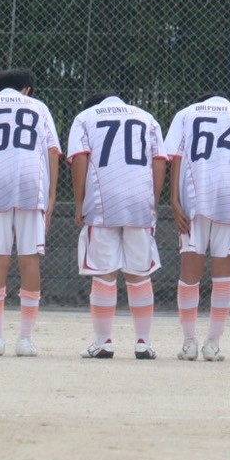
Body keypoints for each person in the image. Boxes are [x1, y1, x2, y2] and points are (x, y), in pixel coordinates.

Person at [0, 68, 62, 357]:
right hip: (31, 181)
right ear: (27, 90)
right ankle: (25, 339)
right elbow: (53, 151)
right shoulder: (38, 106)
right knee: (29, 258)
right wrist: (51, 195)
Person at [163, 92, 230, 361]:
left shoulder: (187, 113)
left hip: (195, 197)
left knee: (190, 271)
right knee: (224, 273)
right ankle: (213, 344)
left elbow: (176, 156)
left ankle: (189, 342)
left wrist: (174, 200)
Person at [68, 92, 167, 359]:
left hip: (103, 201)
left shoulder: (85, 118)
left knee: (104, 273)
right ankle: (143, 343)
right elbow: (160, 159)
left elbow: (80, 158)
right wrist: (153, 200)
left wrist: (80, 201)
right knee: (139, 273)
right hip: (139, 201)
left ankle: (103, 342)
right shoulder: (146, 118)